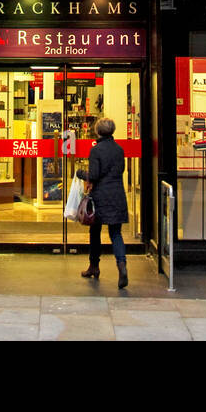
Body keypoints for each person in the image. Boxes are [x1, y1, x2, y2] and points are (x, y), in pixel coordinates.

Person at [77, 117, 129, 288]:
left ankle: (94, 266)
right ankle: (121, 266)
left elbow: (93, 175)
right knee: (116, 233)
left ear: (98, 131)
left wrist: (80, 173)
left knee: (95, 232)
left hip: (100, 196)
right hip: (117, 195)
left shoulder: (96, 150)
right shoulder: (119, 150)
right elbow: (121, 170)